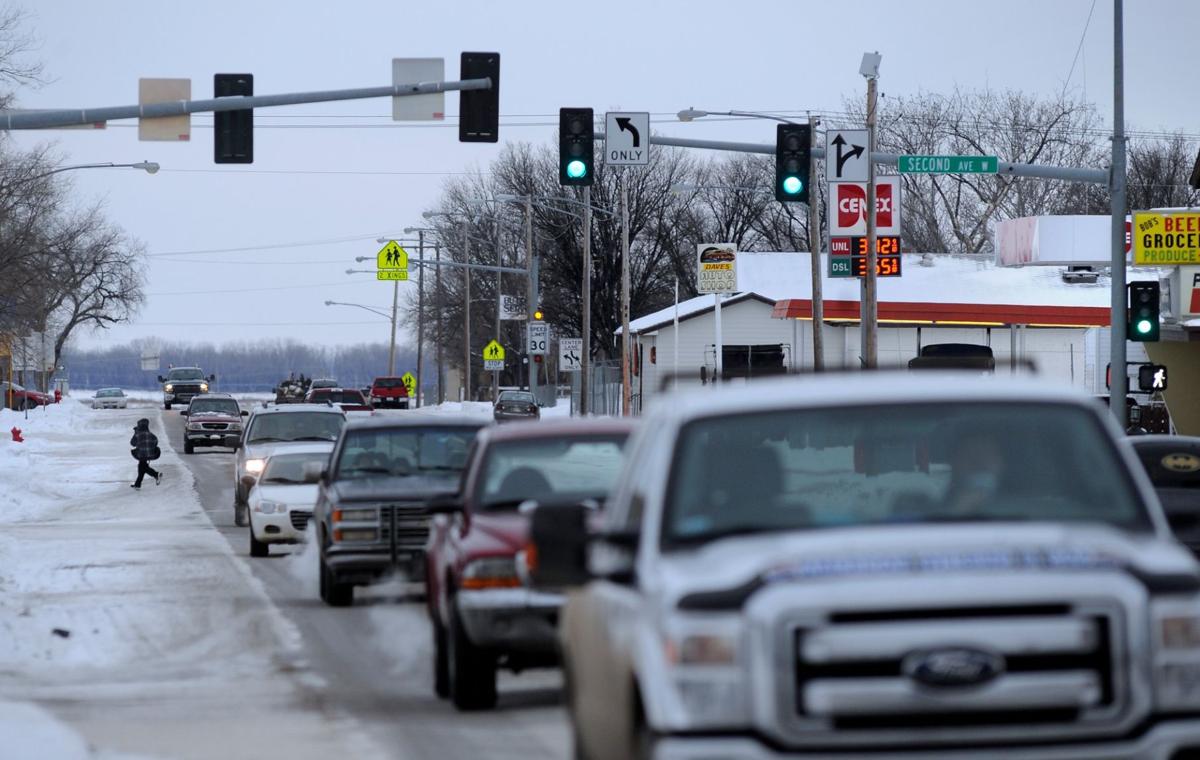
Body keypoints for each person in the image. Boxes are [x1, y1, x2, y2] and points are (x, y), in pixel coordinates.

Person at [941, 432, 1007, 516]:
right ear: (953, 463)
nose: (979, 463)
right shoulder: (928, 510)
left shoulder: (1024, 510)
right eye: (969, 455)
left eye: (987, 455)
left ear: (1002, 464)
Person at [130, 418, 163, 489]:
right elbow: (156, 442)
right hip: (151, 454)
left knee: (142, 466)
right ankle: (137, 484)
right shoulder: (151, 435)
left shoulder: (138, 434)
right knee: (142, 466)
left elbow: (132, 443)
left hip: (141, 454)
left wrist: (135, 433)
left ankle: (156, 474)